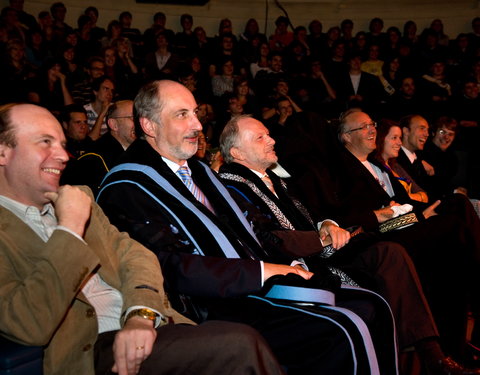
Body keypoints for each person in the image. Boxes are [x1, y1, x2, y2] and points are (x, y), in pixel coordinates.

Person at [97, 80, 398, 375]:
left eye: (195, 112)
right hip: (210, 305)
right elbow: (167, 267)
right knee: (343, 327)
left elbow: (254, 227)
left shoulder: (200, 172)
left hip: (253, 283)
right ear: (149, 126)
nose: (198, 125)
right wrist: (265, 271)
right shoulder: (126, 186)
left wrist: (287, 264)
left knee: (374, 304)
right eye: (182, 115)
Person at [0, 102, 285, 375]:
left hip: (151, 325)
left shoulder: (80, 197)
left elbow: (138, 257)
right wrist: (70, 230)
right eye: (45, 142)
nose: (63, 155)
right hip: (89, 351)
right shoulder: (71, 210)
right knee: (238, 344)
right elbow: (28, 322)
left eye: (62, 144)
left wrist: (140, 315)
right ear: (3, 152)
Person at [217, 115, 479, 375]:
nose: (272, 139)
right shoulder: (232, 187)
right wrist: (324, 236)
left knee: (391, 252)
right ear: (237, 152)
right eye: (260, 136)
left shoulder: (276, 181)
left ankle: (433, 356)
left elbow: (315, 218)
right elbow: (266, 237)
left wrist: (327, 225)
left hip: (338, 247)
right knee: (431, 239)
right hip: (299, 266)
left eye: (268, 133)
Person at [61, 100, 136, 194]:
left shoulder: (140, 151)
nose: (139, 123)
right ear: (114, 124)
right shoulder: (94, 159)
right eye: (132, 118)